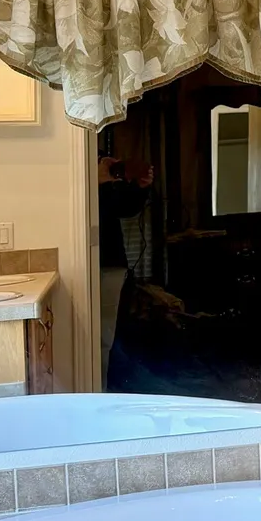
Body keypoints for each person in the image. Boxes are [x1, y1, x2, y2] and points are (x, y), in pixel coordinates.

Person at [97, 154, 155, 385]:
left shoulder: (107, 171)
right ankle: (95, 387)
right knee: (90, 332)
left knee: (106, 333)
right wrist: (95, 180)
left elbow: (124, 207)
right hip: (82, 260)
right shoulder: (75, 169)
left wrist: (141, 188)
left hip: (111, 261)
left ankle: (101, 385)